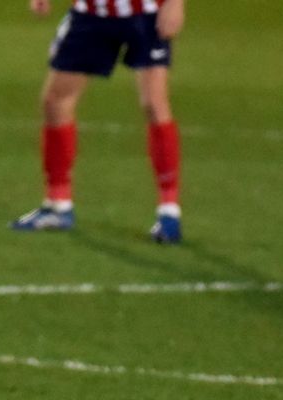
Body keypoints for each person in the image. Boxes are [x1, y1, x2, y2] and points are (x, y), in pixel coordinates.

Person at [10, 0, 186, 243]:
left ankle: (169, 212)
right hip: (91, 13)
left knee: (154, 103)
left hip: (145, 13)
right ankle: (58, 205)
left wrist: (175, 3)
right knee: (55, 101)